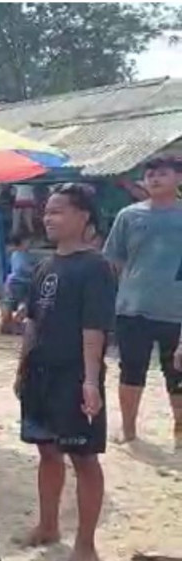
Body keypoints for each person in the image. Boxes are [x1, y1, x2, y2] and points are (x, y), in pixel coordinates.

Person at [15, 183, 115, 561]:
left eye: (58, 211)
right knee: (47, 450)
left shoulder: (95, 267)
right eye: (47, 211)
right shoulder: (44, 265)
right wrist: (23, 365)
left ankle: (86, 544)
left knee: (84, 456)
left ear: (83, 216)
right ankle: (48, 524)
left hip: (74, 374)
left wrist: (90, 380)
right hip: (41, 373)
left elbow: (95, 328)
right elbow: (33, 322)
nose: (48, 218)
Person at [103, 155, 182, 447]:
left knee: (176, 372)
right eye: (150, 174)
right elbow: (114, 261)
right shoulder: (128, 216)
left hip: (176, 311)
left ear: (178, 178)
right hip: (132, 308)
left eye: (162, 173)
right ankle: (129, 429)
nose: (155, 179)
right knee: (131, 370)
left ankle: (179, 430)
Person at [1, 234, 34, 334]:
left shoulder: (16, 254)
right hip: (19, 282)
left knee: (11, 304)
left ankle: (9, 324)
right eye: (28, 242)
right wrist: (33, 270)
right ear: (22, 243)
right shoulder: (20, 254)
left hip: (14, 282)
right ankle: (14, 323)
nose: (29, 244)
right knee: (27, 303)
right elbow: (21, 269)